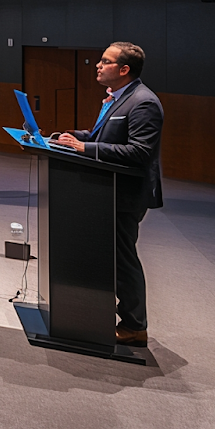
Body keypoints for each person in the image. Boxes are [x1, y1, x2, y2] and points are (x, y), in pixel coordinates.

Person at [51, 42, 163, 346]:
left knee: (123, 260)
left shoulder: (143, 102)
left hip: (124, 194)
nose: (98, 65)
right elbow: (104, 136)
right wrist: (74, 137)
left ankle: (134, 326)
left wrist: (86, 148)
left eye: (105, 61)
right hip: (105, 190)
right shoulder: (118, 98)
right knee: (114, 258)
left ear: (124, 69)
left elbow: (139, 152)